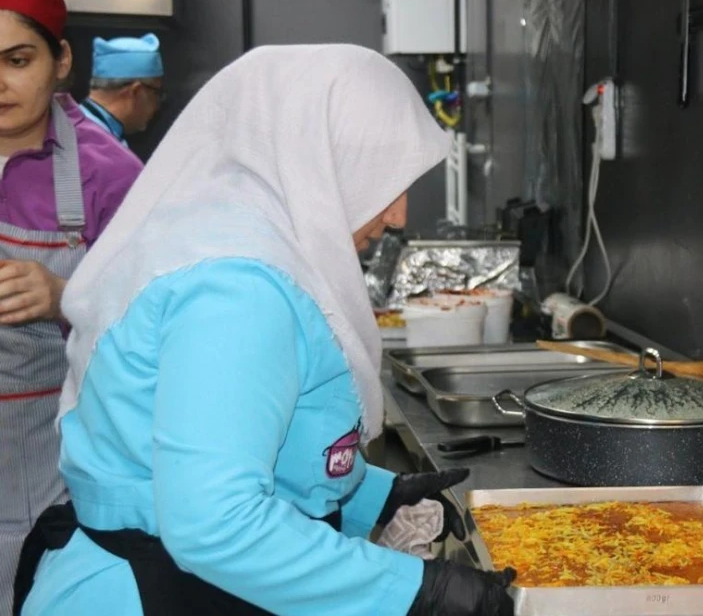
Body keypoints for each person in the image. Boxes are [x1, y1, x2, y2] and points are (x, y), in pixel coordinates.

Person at [14, 44, 516, 616]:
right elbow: (216, 525)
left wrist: (367, 497)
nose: (398, 215)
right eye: (383, 179)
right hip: (153, 595)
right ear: (316, 158)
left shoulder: (221, 237)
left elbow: (210, 445)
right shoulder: (238, 289)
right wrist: (417, 592)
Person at [0, 0, 143, 613]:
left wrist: (65, 294)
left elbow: (154, 321)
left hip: (46, 466)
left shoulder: (108, 174)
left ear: (61, 60)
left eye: (16, 59)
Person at [79, 33, 163, 146]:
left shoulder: (69, 124)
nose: (157, 106)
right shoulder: (99, 146)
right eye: (157, 93)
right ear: (136, 91)